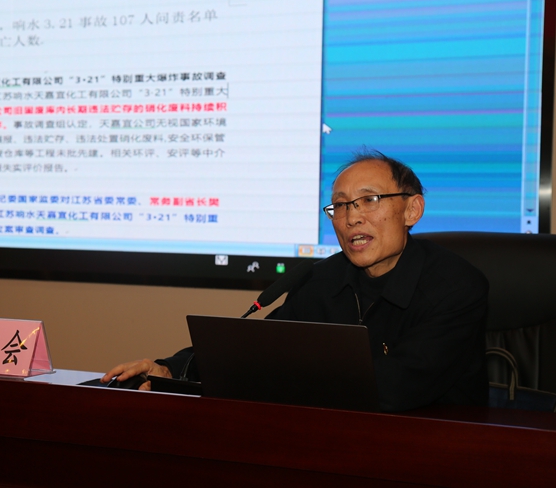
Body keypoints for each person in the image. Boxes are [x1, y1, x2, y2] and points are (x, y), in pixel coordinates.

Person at [102, 149, 489, 411]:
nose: (351, 217)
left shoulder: (456, 287)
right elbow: (259, 349)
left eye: (369, 200)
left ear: (412, 210)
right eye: (340, 205)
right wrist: (172, 370)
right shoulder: (322, 279)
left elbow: (397, 388)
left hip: (437, 449)